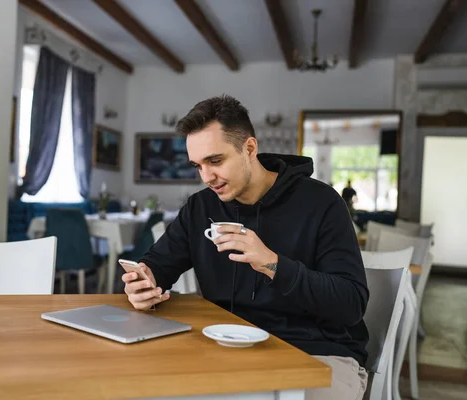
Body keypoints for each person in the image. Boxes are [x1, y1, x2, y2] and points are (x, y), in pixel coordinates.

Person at [122, 95, 369, 400]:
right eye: (197, 166)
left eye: (215, 161)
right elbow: (158, 265)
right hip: (224, 345)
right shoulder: (200, 207)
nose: (206, 177)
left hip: (315, 351)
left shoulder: (322, 203)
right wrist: (144, 283)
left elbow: (351, 304)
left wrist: (272, 263)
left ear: (249, 148)